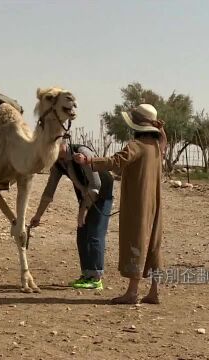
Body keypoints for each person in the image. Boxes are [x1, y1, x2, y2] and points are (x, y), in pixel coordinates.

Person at [74, 104, 167, 304]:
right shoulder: (157, 147)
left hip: (138, 203)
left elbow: (115, 162)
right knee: (152, 244)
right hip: (155, 203)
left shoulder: (137, 145)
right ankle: (154, 291)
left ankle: (132, 292)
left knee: (136, 240)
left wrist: (88, 161)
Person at [31, 142, 114, 290]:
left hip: (102, 194)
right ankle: (87, 275)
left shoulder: (82, 152)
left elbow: (95, 185)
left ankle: (96, 278)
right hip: (85, 196)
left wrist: (82, 211)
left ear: (62, 141)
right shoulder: (58, 163)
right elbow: (49, 192)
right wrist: (38, 215)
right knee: (82, 233)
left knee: (94, 233)